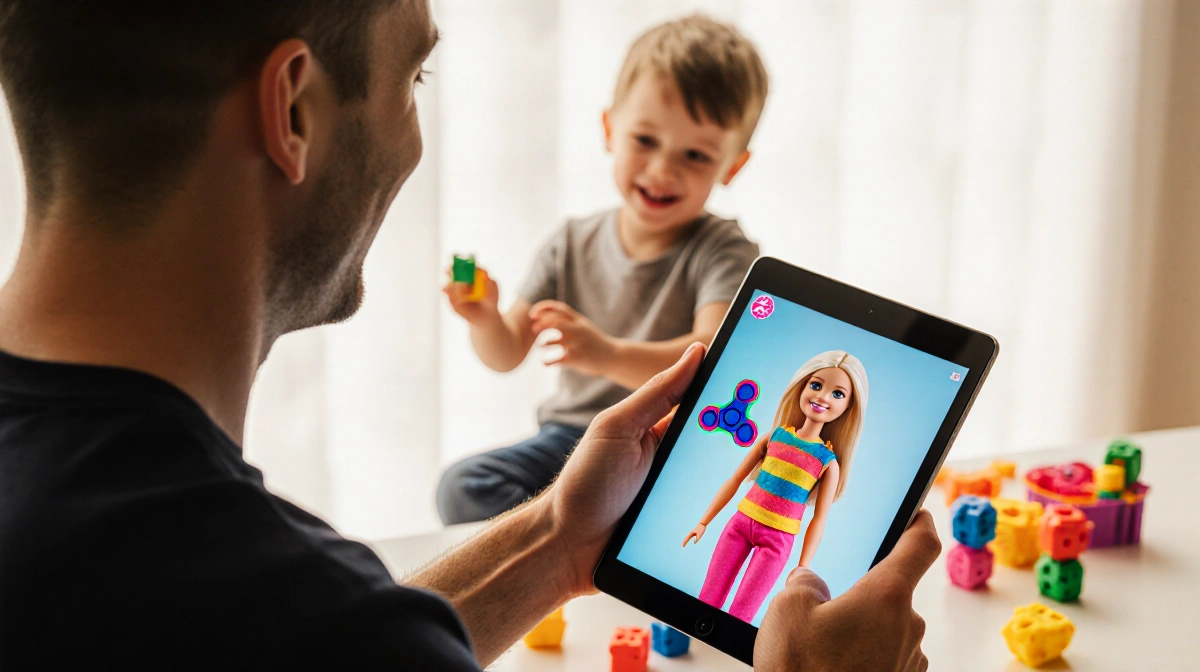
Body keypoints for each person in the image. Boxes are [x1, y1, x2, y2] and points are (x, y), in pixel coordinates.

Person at [0, 2, 938, 670]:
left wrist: (557, 545)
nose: (416, 142)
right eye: (415, 75)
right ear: (292, 109)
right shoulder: (302, 619)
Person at [438, 15, 763, 525]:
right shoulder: (571, 243)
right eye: (645, 140)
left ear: (732, 167)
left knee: (687, 504)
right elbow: (506, 353)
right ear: (610, 130)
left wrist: (607, 354)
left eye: (696, 155)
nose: (662, 170)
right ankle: (571, 537)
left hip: (661, 443)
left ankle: (580, 533)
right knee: (464, 486)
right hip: (570, 442)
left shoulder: (722, 249)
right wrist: (484, 319)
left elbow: (706, 357)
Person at [684, 351, 869, 624]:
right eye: (816, 385)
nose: (823, 397)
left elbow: (819, 518)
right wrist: (704, 521)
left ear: (849, 407)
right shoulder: (775, 436)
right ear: (802, 386)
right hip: (739, 524)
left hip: (778, 540)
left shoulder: (827, 462)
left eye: (838, 394)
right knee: (708, 597)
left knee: (742, 613)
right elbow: (735, 479)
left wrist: (802, 567)